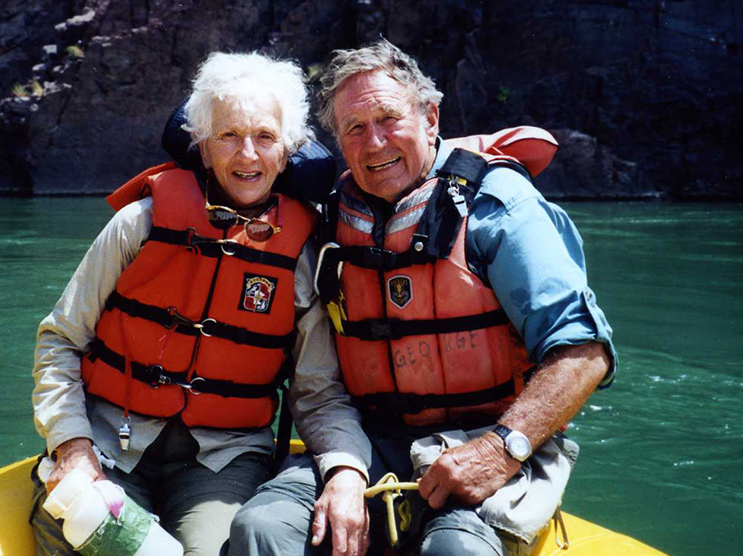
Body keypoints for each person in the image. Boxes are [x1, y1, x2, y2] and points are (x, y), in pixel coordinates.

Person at [229, 40, 617, 556]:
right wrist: (343, 468)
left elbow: (584, 352)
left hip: (489, 443)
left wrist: (504, 447)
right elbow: (317, 382)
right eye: (355, 128)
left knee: (457, 551)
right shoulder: (324, 223)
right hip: (363, 443)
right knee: (262, 528)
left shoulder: (498, 205)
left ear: (430, 116)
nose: (374, 143)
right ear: (339, 143)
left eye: (389, 119)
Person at [29, 51, 358, 556]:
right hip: (107, 445)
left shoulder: (301, 258)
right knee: (83, 527)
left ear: (287, 150)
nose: (247, 155)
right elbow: (60, 341)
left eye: (265, 137)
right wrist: (72, 448)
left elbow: (317, 392)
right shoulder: (138, 225)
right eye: (228, 136)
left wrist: (344, 469)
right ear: (203, 149)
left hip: (222, 460)